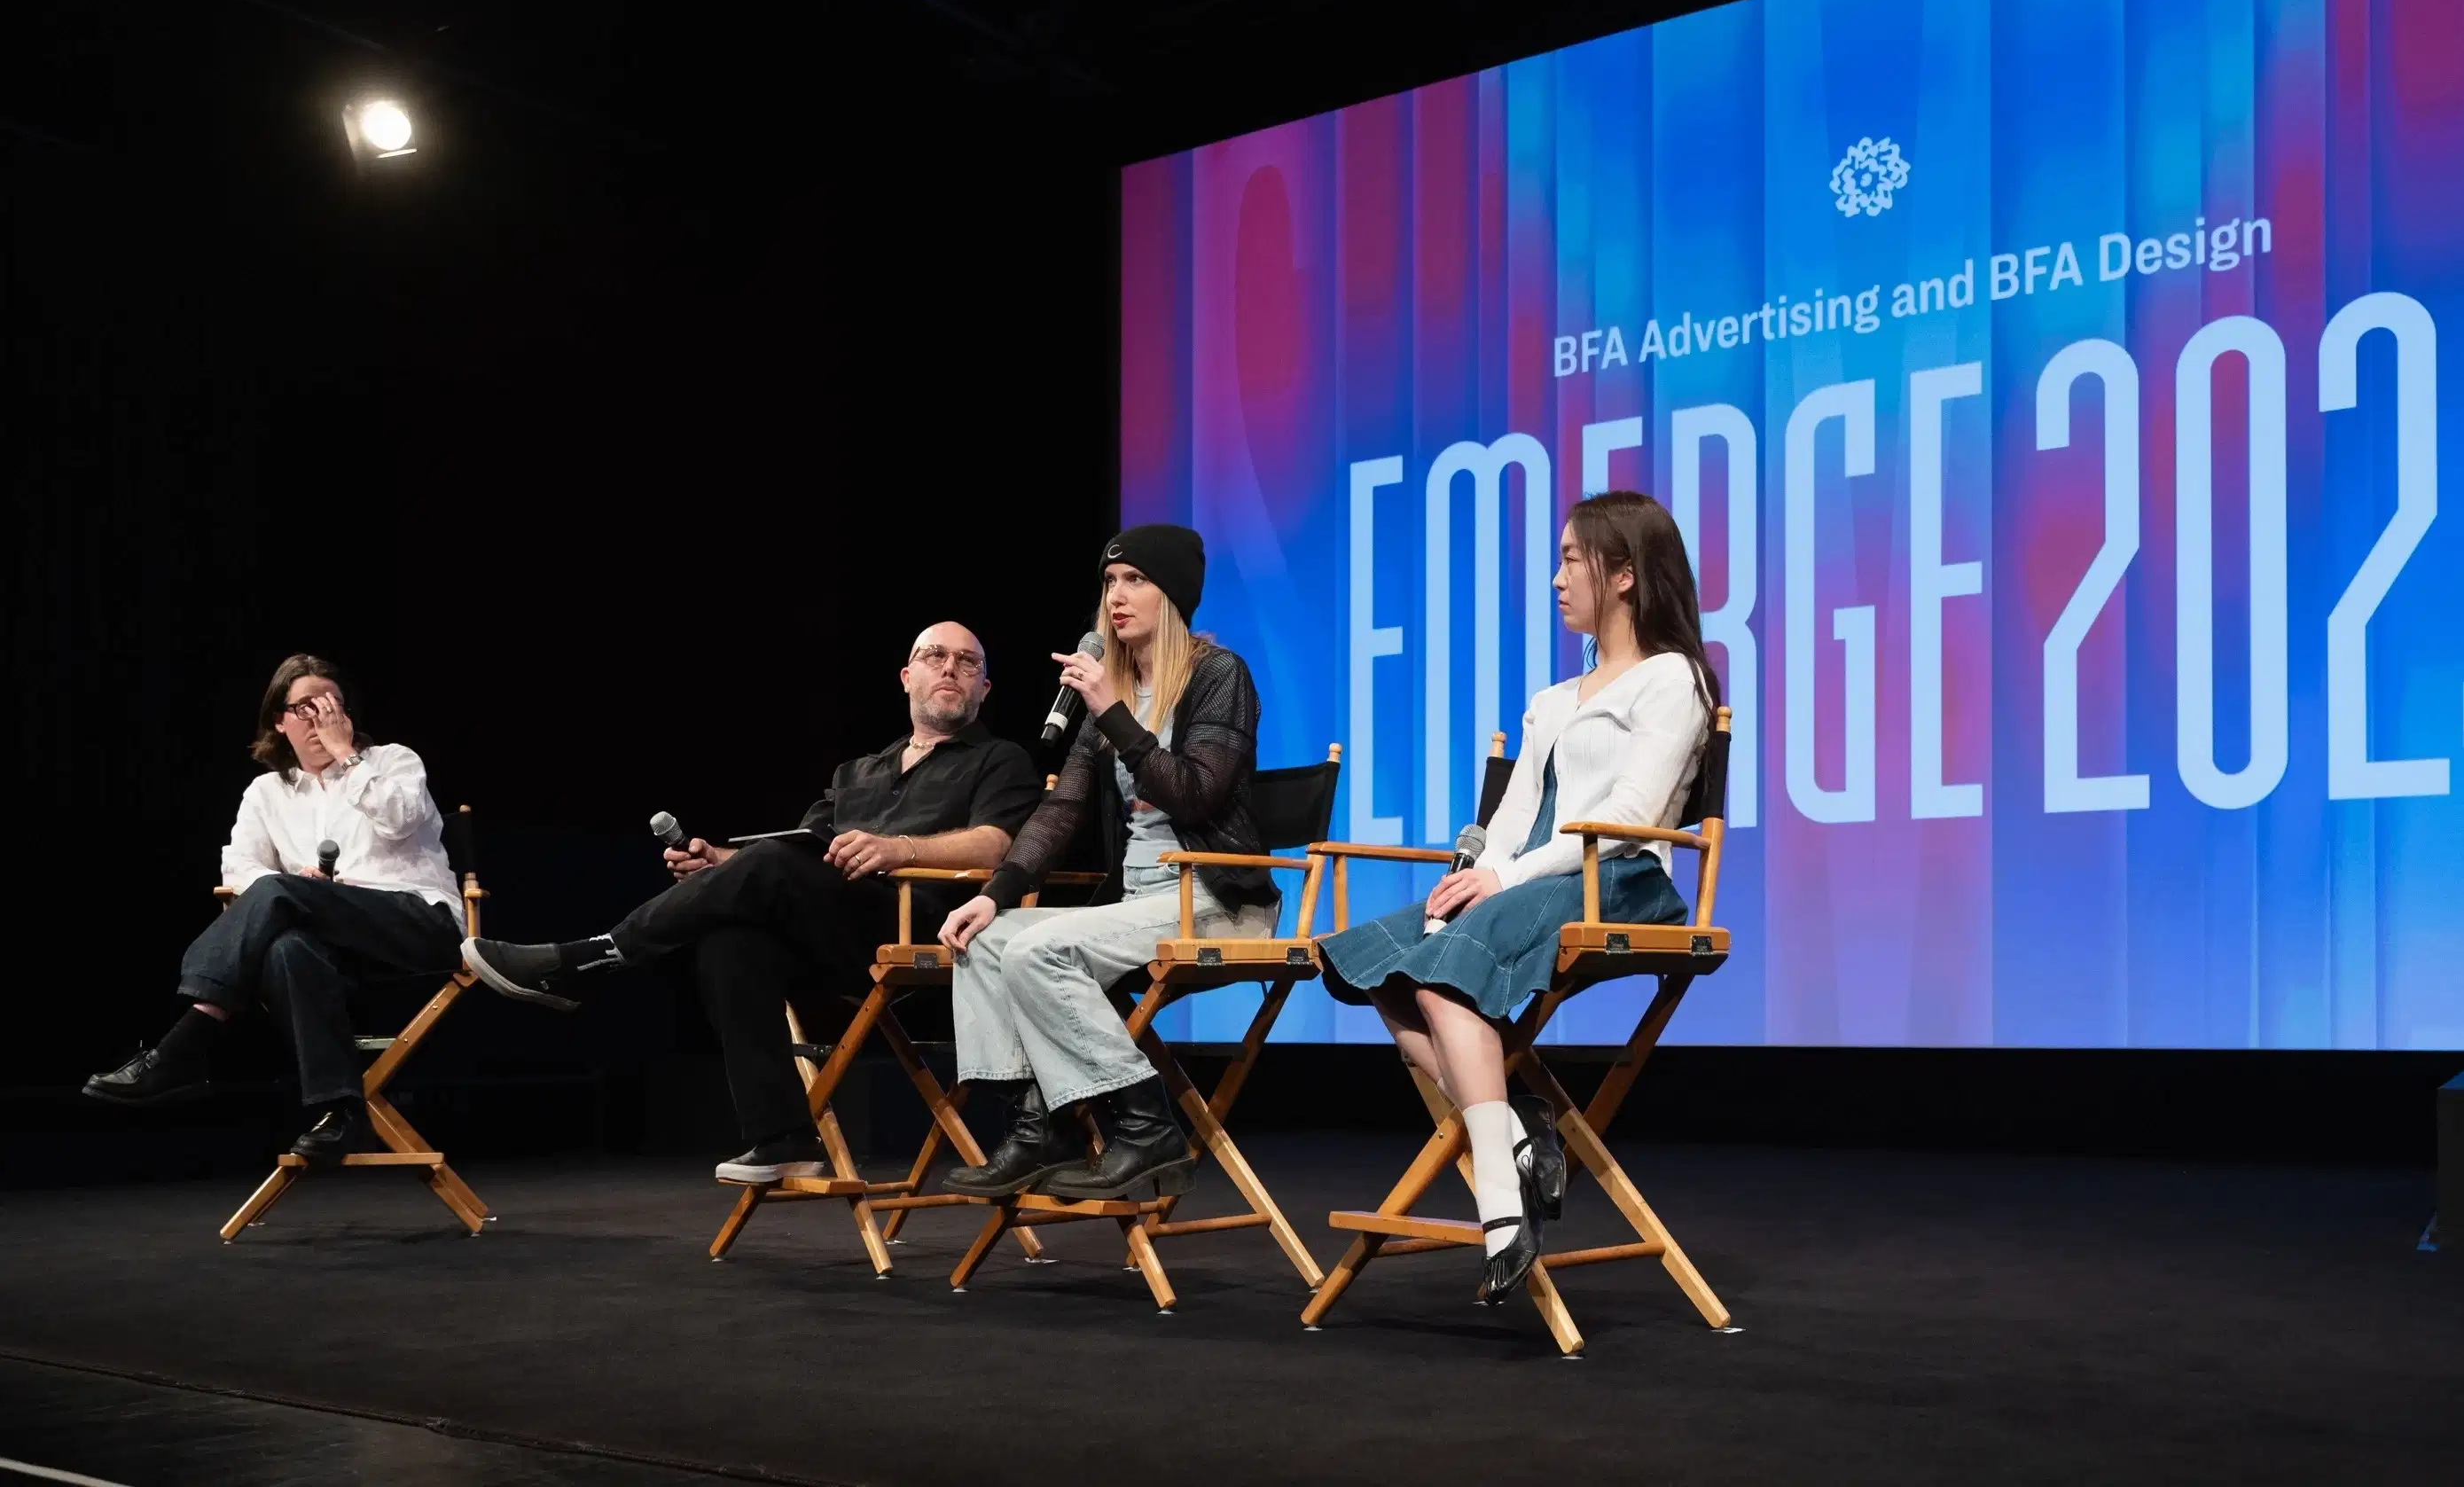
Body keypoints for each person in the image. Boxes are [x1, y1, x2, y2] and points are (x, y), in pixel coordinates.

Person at [460, 623, 1041, 1186]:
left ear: (984, 689)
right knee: (730, 941)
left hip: (920, 928)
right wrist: (718, 864)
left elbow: (998, 847)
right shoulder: (858, 770)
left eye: (967, 663)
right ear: (906, 675)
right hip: (834, 930)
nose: (950, 668)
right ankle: (784, 1135)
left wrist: (898, 848)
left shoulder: (1000, 759)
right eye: (935, 656)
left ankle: (590, 960)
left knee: (763, 871)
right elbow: (795, 854)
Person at [1318, 489, 1717, 1304]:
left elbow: (1631, 818)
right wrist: (1481, 875)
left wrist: (1506, 877)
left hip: (1618, 880)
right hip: (1533, 878)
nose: (1557, 577)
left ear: (1626, 576)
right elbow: (1506, 820)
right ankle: (1524, 1118)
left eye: (1573, 559)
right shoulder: (1550, 700)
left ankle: (1500, 1204)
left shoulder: (1671, 680)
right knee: (1379, 960)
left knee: (1446, 975)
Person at [934, 523, 1278, 1205]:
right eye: (1109, 583)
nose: (1116, 597)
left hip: (1213, 899)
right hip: (1137, 902)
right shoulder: (1110, 689)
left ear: (1173, 596)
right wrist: (996, 894)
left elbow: (1196, 791)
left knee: (1037, 953)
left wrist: (1114, 714)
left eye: (1135, 581)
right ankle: (1041, 1127)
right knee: (986, 940)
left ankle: (1147, 1126)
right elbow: (1060, 813)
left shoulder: (1217, 676)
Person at [83, 654, 466, 1163]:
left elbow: (399, 821)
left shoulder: (393, 761)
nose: (319, 718)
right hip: (338, 947)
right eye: (304, 708)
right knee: (286, 947)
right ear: (279, 722)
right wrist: (298, 890)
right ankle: (342, 1112)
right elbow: (239, 870)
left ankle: (185, 1044)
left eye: (329, 705)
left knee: (278, 893)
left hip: (419, 924)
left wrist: (346, 755)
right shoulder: (267, 793)